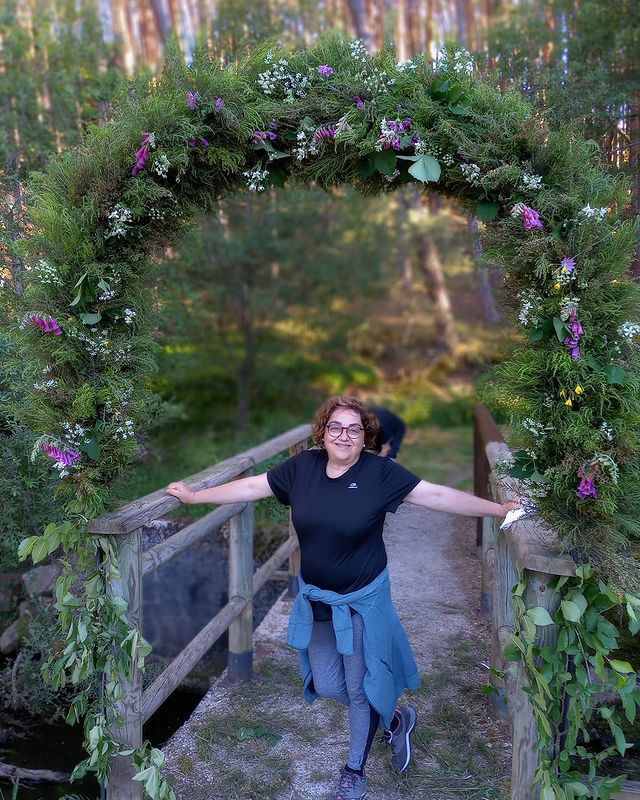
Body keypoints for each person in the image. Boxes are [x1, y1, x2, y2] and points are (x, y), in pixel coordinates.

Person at [166, 396, 519, 800]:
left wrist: (498, 509)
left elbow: (437, 496)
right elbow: (252, 485)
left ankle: (354, 771)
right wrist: (195, 497)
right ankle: (398, 716)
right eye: (336, 426)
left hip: (362, 600)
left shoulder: (379, 473)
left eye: (354, 429)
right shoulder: (303, 468)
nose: (344, 435)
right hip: (317, 600)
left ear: (366, 436)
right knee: (329, 685)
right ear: (323, 432)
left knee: (360, 689)